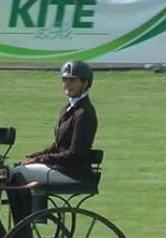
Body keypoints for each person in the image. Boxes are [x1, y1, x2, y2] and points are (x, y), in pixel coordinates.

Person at [7, 60, 98, 221]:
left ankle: (24, 227)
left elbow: (74, 154)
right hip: (62, 167)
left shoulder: (84, 113)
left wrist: (39, 159)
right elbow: (57, 146)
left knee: (15, 175)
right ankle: (25, 221)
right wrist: (33, 156)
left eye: (72, 80)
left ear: (85, 83)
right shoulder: (69, 108)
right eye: (64, 80)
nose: (67, 84)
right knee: (15, 170)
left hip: (72, 172)